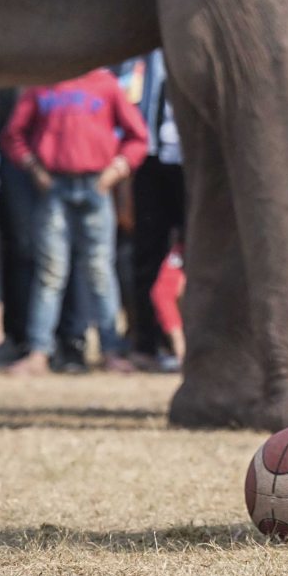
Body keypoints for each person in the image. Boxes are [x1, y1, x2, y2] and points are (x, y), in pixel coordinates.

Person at [0, 69, 149, 374]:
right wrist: (32, 167)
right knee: (51, 272)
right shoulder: (42, 84)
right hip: (55, 186)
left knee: (99, 270)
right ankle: (39, 353)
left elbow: (138, 137)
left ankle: (111, 352)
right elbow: (13, 134)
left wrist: (118, 169)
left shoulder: (105, 84)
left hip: (96, 185)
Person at [121, 52, 185, 372]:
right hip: (150, 159)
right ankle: (145, 342)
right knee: (146, 253)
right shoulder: (141, 56)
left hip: (190, 162)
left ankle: (184, 342)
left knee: (193, 256)